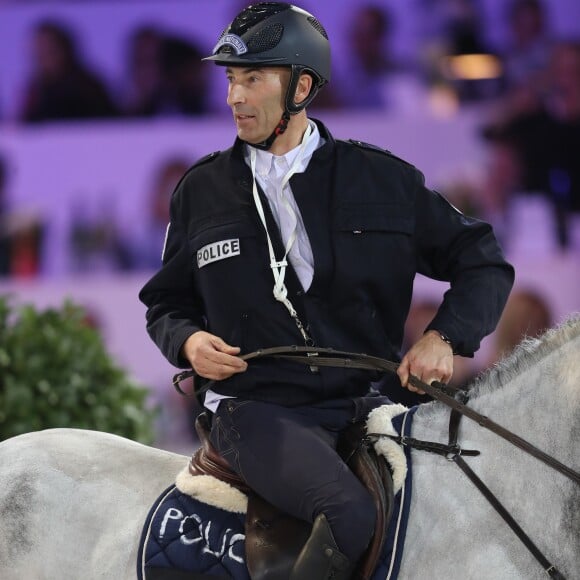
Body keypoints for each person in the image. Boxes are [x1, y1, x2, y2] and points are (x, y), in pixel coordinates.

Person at [139, 3, 514, 578]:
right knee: (348, 513)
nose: (235, 97)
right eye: (231, 80)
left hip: (370, 404)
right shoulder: (201, 190)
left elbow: (482, 260)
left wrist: (444, 336)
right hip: (255, 408)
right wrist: (189, 344)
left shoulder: (383, 179)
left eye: (253, 79)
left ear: (302, 86)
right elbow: (167, 304)